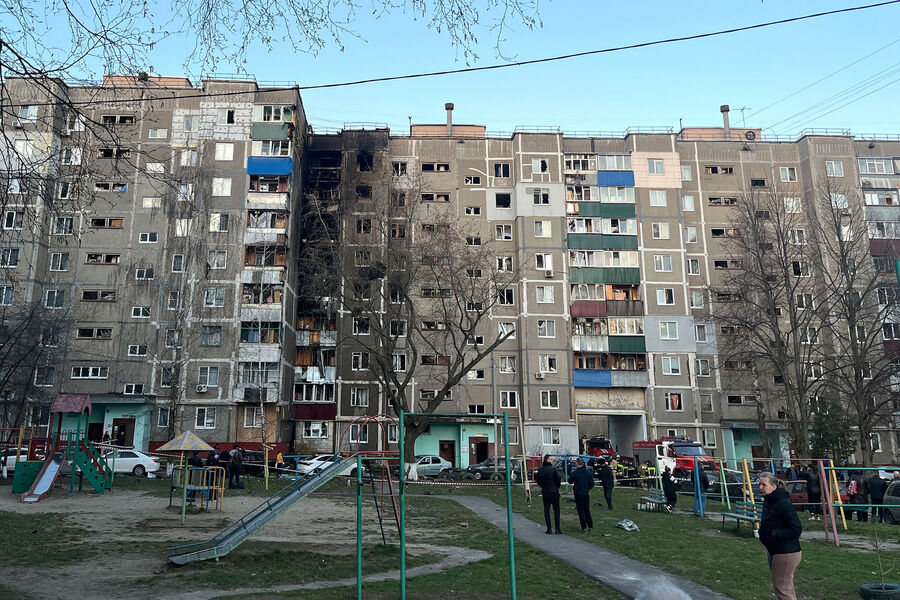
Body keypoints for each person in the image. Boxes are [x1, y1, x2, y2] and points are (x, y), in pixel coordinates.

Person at [758, 472, 803, 600]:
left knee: (782, 589)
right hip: (775, 550)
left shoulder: (782, 503)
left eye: (764, 485)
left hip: (786, 551)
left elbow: (796, 529)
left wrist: (774, 533)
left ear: (774, 487)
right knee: (784, 587)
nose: (760, 487)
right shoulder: (769, 502)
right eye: (759, 484)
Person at [535, 454, 562, 534]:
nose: (552, 461)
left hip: (545, 491)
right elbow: (557, 480)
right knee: (556, 510)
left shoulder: (540, 469)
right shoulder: (553, 469)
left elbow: (538, 481)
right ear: (547, 460)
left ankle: (549, 528)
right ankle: (557, 528)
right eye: (551, 459)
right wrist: (557, 487)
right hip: (554, 491)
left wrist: (543, 486)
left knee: (547, 510)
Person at [568, 457, 594, 532]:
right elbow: (592, 483)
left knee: (580, 510)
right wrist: (587, 488)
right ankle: (590, 525)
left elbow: (570, 481)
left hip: (578, 492)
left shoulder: (575, 472)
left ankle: (584, 527)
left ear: (577, 463)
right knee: (587, 509)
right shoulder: (588, 472)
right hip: (586, 492)